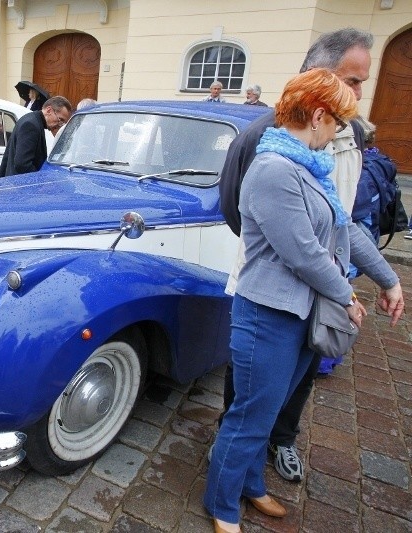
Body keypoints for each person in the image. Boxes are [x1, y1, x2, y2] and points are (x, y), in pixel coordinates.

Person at [205, 68, 404, 533]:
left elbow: (344, 228)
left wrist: (388, 278)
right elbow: (303, 252)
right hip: (268, 316)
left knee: (269, 410)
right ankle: (221, 505)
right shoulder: (275, 169)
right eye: (338, 122)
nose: (338, 132)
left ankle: (251, 486)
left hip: (299, 314)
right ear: (317, 116)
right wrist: (346, 295)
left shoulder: (308, 166)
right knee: (251, 415)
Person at [216, 27, 375, 482]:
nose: (361, 92)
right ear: (319, 76)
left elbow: (345, 209)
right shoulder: (263, 137)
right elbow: (235, 207)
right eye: (354, 80)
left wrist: (352, 269)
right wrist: (281, 251)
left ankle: (280, 439)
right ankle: (234, 451)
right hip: (276, 282)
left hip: (325, 277)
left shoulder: (352, 133)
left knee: (303, 368)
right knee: (252, 379)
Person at [0, 95, 72, 177]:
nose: (60, 125)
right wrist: (40, 180)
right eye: (60, 120)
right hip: (22, 185)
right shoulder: (31, 125)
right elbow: (22, 164)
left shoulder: (33, 120)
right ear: (49, 110)